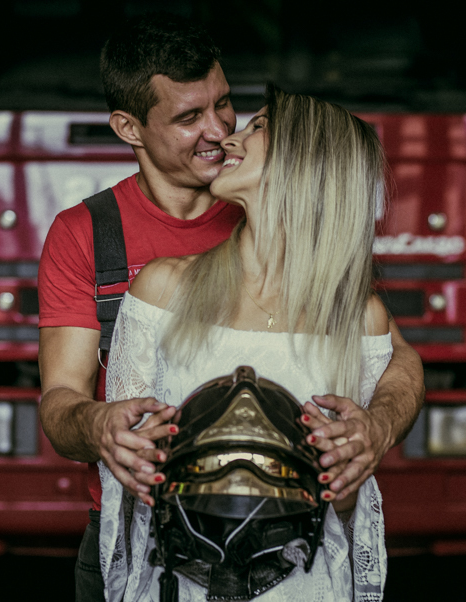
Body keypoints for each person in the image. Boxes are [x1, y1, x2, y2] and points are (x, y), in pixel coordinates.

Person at [36, 13, 424, 601]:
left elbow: (395, 360)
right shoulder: (91, 237)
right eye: (190, 117)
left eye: (225, 105)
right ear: (129, 127)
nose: (220, 131)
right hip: (160, 545)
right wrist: (97, 422)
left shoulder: (295, 236)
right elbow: (61, 400)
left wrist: (379, 424)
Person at [99, 86, 395, 601]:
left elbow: (349, 504)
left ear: (304, 164)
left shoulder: (359, 320)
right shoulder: (162, 289)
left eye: (259, 128)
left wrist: (343, 472)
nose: (230, 139)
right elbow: (128, 481)